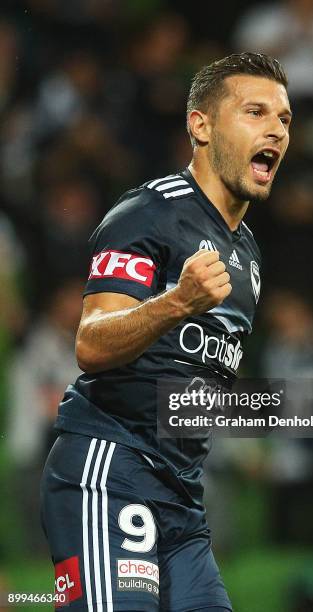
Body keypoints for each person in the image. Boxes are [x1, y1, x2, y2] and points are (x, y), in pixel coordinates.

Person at [40, 52, 291, 612]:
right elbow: (91, 344)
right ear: (200, 126)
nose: (276, 128)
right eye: (255, 111)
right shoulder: (147, 213)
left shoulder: (247, 255)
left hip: (181, 499)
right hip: (110, 471)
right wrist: (177, 302)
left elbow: (192, 376)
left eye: (284, 119)